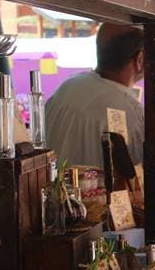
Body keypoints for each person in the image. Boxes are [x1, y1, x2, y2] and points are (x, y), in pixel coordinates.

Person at [45, 24, 146, 169]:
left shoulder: (67, 87)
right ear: (140, 59)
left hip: (47, 189)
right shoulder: (127, 110)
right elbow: (138, 176)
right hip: (97, 191)